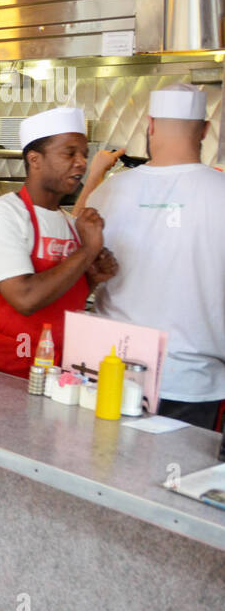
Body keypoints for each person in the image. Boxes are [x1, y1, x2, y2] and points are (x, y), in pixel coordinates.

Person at [76, 84, 225, 440]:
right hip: (191, 381)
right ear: (204, 130)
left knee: (100, 474)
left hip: (110, 372)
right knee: (173, 490)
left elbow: (77, 248)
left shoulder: (109, 191)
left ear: (151, 126)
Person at [0, 106, 118, 378]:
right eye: (69, 153)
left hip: (63, 373)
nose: (81, 162)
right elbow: (25, 298)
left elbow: (64, 297)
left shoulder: (70, 224)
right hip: (10, 375)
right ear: (35, 159)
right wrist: (88, 251)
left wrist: (93, 277)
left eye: (84, 154)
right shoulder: (4, 215)